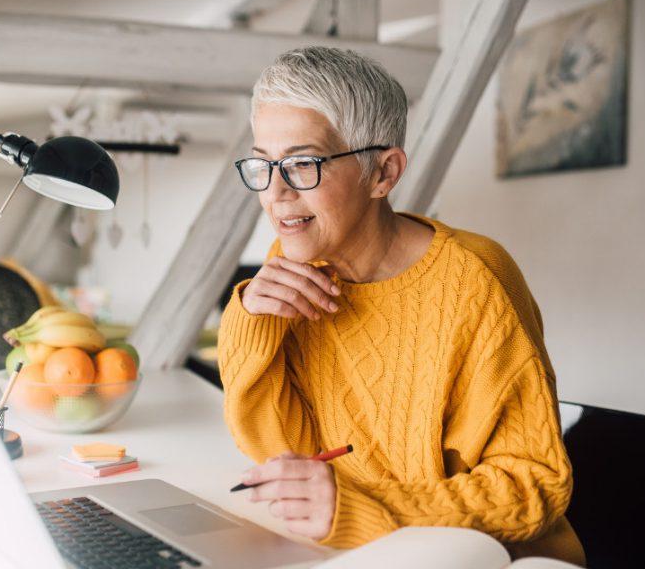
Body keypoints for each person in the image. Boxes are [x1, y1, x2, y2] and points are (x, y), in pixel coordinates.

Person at [217, 46, 585, 566]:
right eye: (263, 163)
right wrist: (249, 320)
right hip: (366, 552)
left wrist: (365, 507)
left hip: (492, 557)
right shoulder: (299, 267)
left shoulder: (475, 279)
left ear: (384, 174)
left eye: (303, 164)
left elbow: (533, 487)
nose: (275, 192)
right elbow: (279, 452)